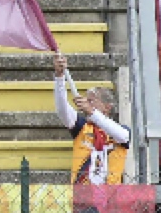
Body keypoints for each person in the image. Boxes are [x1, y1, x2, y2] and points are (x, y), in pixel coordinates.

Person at [54, 52, 130, 185]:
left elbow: (124, 136)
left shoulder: (120, 129)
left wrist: (92, 112)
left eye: (92, 101)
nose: (87, 104)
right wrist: (59, 78)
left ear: (107, 107)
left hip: (111, 197)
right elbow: (62, 109)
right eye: (87, 101)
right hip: (82, 195)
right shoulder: (82, 126)